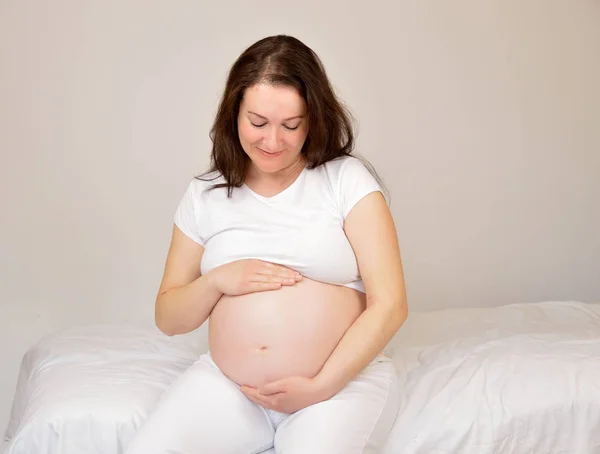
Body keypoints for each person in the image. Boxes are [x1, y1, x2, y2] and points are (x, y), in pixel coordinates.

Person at [125, 34, 408, 454]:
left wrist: (319, 386)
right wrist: (217, 281)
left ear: (313, 119)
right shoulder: (205, 194)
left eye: (291, 126)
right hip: (230, 386)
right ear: (233, 114)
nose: (273, 142)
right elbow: (168, 317)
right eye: (257, 123)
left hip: (338, 385)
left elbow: (390, 303)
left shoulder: (345, 180)